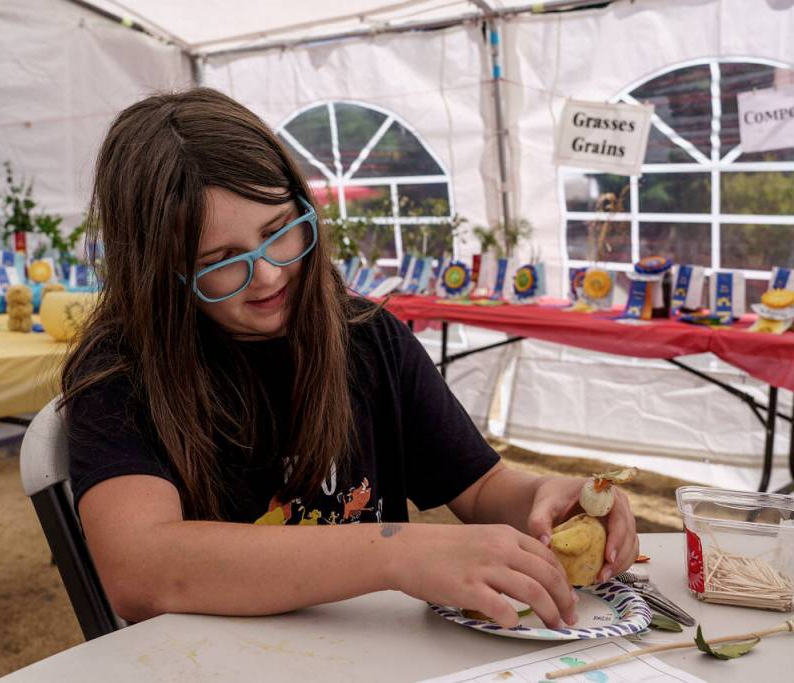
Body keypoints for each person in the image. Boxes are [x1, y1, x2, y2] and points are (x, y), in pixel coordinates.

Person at [62, 87, 639, 629]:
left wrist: (544, 501)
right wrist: (394, 552)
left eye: (280, 230)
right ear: (159, 270)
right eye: (221, 259)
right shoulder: (121, 373)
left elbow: (483, 488)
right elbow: (140, 570)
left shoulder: (366, 339)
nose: (267, 274)